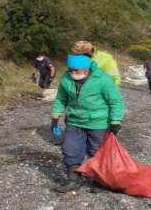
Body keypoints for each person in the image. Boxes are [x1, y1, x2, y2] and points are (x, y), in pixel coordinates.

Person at [50, 53, 125, 192]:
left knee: (97, 151)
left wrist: (116, 121)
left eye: (76, 70)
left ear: (86, 68)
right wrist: (55, 117)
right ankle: (73, 180)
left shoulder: (102, 80)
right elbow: (61, 99)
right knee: (70, 149)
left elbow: (115, 101)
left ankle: (99, 180)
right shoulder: (66, 79)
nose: (72, 73)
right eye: (70, 69)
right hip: (74, 120)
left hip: (98, 123)